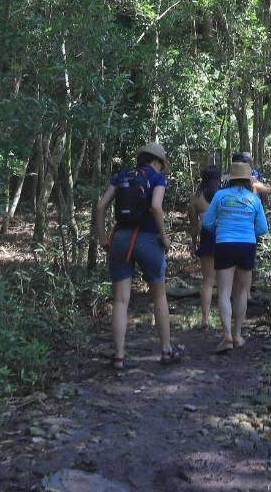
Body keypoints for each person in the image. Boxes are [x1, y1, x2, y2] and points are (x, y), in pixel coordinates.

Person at [94, 141, 184, 369]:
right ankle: (166, 350)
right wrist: (164, 237)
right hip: (148, 240)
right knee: (159, 296)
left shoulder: (122, 176)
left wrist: (104, 238)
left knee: (121, 300)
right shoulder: (157, 178)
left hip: (121, 239)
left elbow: (100, 206)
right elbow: (155, 206)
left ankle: (119, 356)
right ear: (158, 162)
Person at [201, 160, 269, 353]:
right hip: (247, 245)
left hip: (224, 244)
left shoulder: (220, 195)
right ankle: (238, 335)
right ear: (248, 180)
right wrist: (247, 230)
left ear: (230, 179)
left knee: (224, 292)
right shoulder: (254, 199)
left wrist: (221, 227)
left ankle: (227, 337)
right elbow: (263, 228)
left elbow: (207, 223)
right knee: (241, 293)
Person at [187, 165, 223, 330]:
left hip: (207, 238)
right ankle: (225, 322)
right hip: (224, 237)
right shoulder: (223, 195)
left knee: (207, 281)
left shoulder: (195, 197)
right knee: (224, 282)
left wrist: (194, 243)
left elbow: (194, 225)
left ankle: (205, 320)